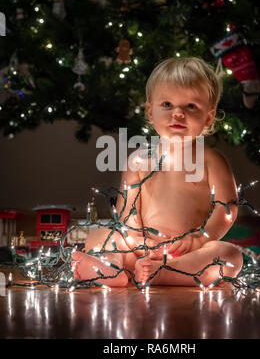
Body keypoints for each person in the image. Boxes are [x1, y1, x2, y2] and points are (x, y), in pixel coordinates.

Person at [72, 57, 243, 287]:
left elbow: (227, 207)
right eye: (167, 105)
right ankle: (111, 269)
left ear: (208, 117)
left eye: (191, 106)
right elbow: (128, 211)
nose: (178, 113)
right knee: (100, 236)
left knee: (230, 256)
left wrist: (200, 238)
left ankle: (164, 273)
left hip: (190, 254)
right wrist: (138, 240)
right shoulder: (139, 161)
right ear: (150, 112)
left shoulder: (211, 160)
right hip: (142, 252)